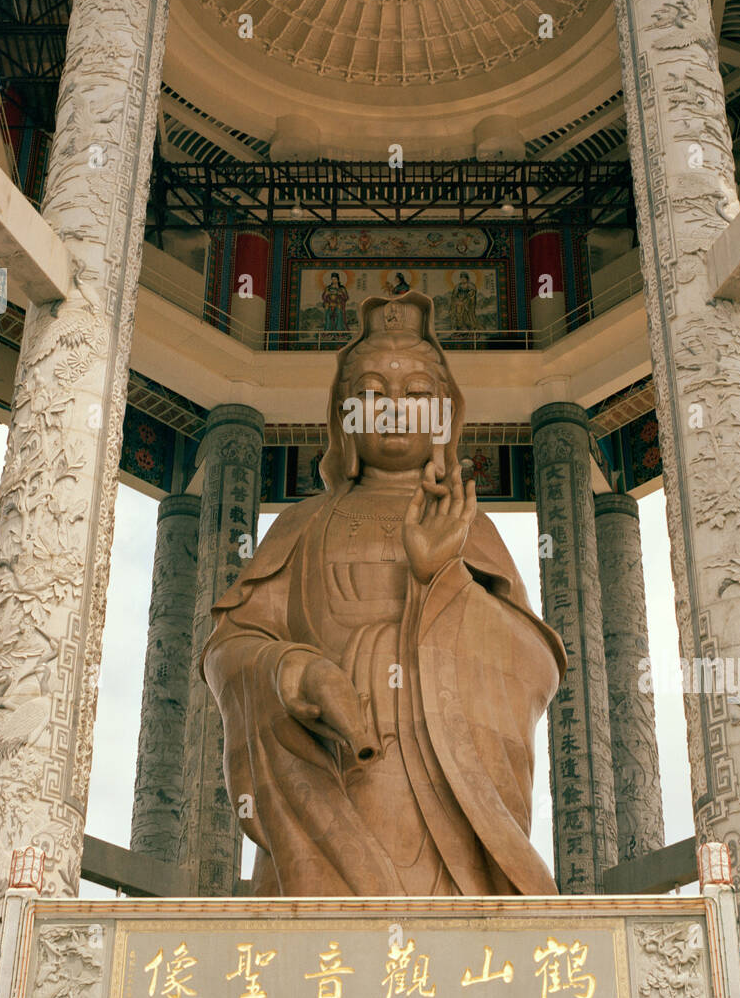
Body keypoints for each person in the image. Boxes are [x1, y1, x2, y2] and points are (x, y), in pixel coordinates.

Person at [202, 294, 562, 895]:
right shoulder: (302, 525)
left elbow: (536, 667)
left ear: (444, 415)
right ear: (344, 415)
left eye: (417, 395)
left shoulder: (473, 530)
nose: (394, 409)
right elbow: (228, 650)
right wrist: (291, 670)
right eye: (372, 393)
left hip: (444, 803)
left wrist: (441, 580)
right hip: (326, 784)